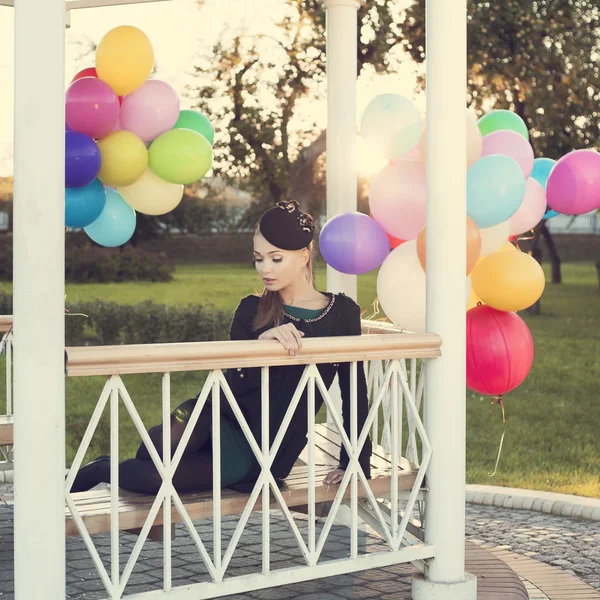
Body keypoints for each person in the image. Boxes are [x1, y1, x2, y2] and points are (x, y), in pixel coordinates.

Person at [71, 199, 372, 495]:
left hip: (263, 447)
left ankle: (102, 468)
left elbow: (354, 391)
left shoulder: (341, 314)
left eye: (275, 258)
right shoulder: (251, 309)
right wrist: (257, 347)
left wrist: (356, 460)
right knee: (157, 451)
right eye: (258, 258)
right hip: (218, 415)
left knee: (152, 478)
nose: (264, 268)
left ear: (304, 256)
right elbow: (234, 385)